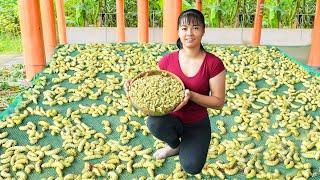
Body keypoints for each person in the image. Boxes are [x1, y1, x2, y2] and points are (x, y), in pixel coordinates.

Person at [125, 9, 226, 175]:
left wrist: (191, 95)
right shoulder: (166, 61)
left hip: (197, 123)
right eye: (184, 28)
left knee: (192, 167)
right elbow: (153, 88)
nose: (189, 33)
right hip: (172, 119)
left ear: (203, 31)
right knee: (154, 122)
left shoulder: (214, 63)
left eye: (195, 28)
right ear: (178, 31)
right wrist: (133, 87)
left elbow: (218, 102)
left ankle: (189, 144)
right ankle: (175, 145)